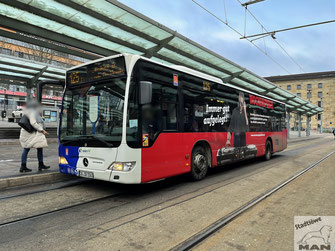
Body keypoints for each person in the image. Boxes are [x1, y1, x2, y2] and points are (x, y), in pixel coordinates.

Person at [19, 100, 50, 172]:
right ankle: (23, 166)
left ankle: (40, 164)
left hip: (31, 134)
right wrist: (42, 130)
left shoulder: (30, 112)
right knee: (26, 149)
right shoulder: (32, 112)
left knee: (39, 148)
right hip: (29, 135)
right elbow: (33, 123)